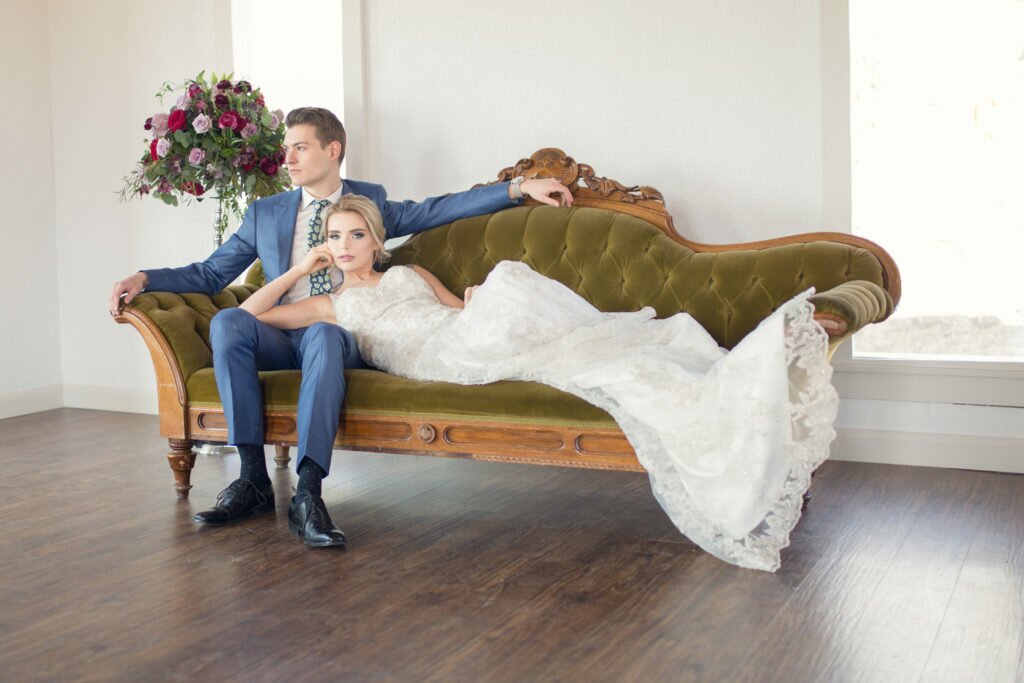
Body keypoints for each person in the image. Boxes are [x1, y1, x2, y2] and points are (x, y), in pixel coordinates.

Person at [240, 194, 840, 572]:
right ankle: (748, 364)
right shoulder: (330, 306)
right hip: (433, 357)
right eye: (336, 238)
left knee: (541, 314)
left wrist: (473, 300)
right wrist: (301, 268)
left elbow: (452, 308)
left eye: (357, 236)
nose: (346, 248)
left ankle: (745, 363)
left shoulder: (412, 270)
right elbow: (254, 315)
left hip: (458, 332)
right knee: (573, 347)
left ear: (376, 240)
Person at [108, 107, 574, 548]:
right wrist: (146, 278)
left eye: (300, 148)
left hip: (336, 332)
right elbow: (210, 275)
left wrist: (517, 189)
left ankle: (308, 492)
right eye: (286, 148)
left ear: (332, 151)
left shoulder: (369, 201)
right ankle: (252, 477)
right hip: (278, 327)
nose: (286, 158)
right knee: (230, 321)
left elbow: (437, 209)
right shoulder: (265, 213)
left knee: (327, 334)